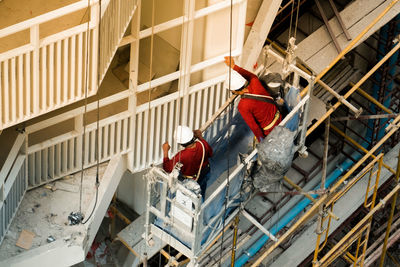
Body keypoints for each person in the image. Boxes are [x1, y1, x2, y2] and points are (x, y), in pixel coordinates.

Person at [224, 56, 282, 142]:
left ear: (234, 90)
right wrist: (233, 66)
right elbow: (249, 75)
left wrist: (261, 140)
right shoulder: (255, 81)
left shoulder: (243, 106)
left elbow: (254, 127)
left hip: (270, 131)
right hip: (279, 118)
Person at [162, 125, 213, 199]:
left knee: (191, 200)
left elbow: (167, 168)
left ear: (181, 143)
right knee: (201, 193)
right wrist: (200, 137)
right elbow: (210, 153)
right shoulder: (202, 144)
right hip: (205, 173)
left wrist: (165, 151)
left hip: (191, 182)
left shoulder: (181, 156)